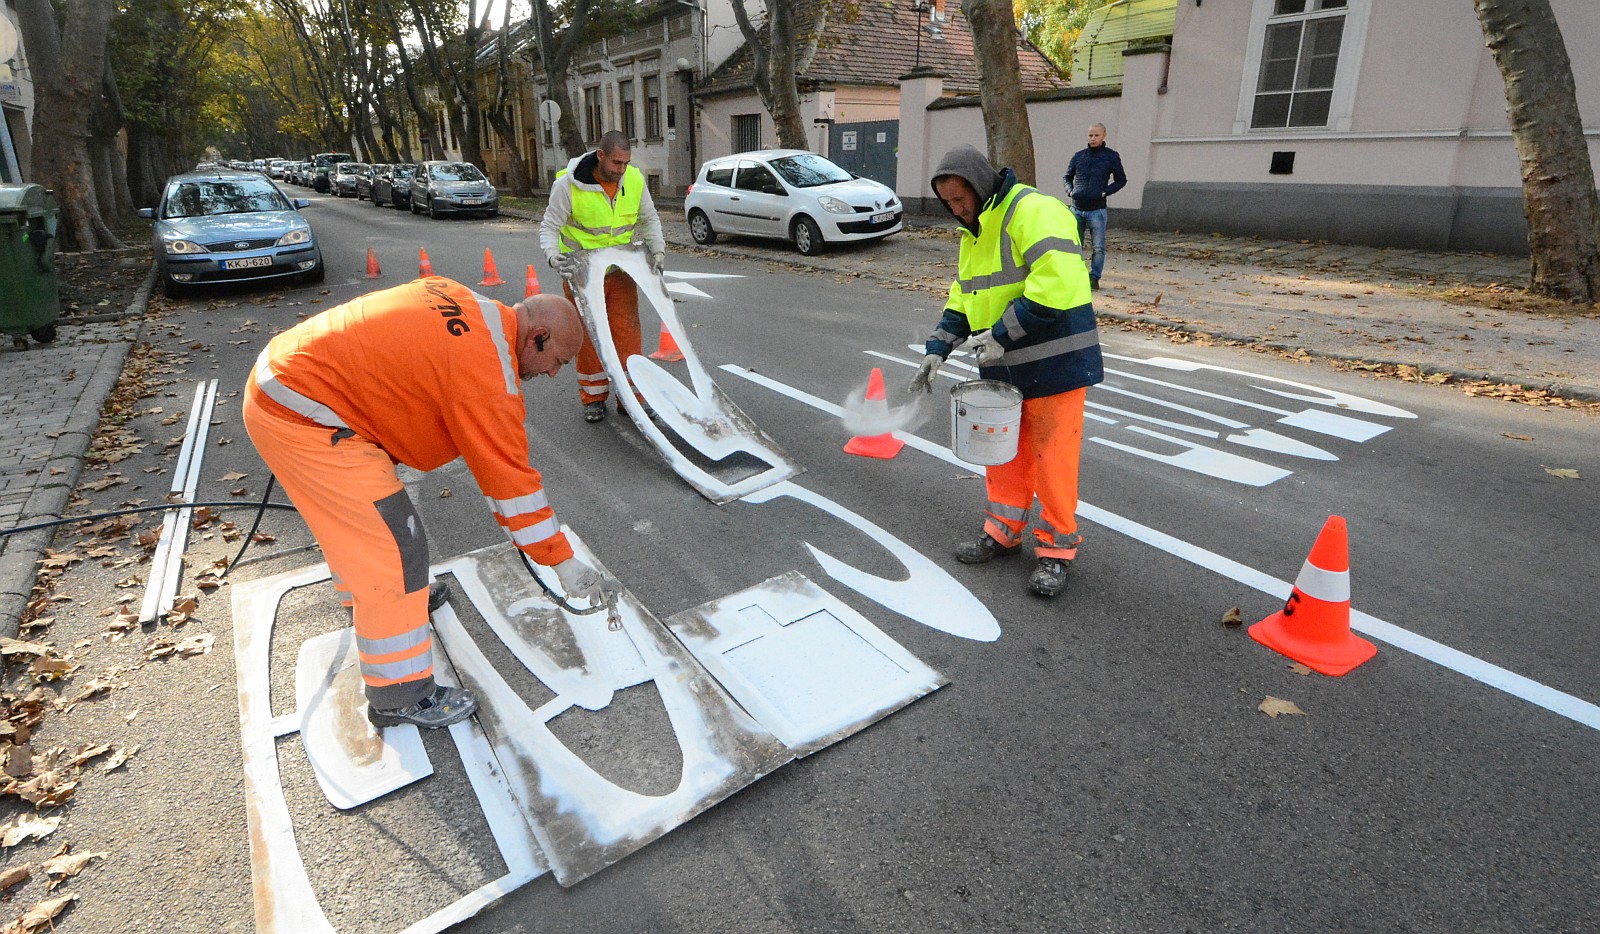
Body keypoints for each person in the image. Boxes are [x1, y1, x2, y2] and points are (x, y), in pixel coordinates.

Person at [243, 277, 604, 728]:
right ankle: (401, 695)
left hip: (294, 384)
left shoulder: (467, 301)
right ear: (539, 337)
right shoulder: (486, 376)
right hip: (304, 415)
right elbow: (510, 483)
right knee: (395, 548)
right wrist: (561, 560)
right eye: (558, 362)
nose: (552, 374)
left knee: (360, 527)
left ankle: (390, 609)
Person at [909, 145, 1104, 598]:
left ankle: (1056, 552)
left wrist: (1001, 333)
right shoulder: (973, 233)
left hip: (1056, 363)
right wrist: (937, 347)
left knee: (1053, 461)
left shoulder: (1033, 210)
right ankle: (1003, 532)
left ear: (979, 185)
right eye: (949, 204)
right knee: (1005, 455)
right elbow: (966, 296)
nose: (956, 210)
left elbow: (1054, 284)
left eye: (961, 199)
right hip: (1006, 366)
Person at [540, 130, 667, 423]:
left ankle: (631, 398)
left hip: (620, 273)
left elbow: (649, 219)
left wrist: (658, 252)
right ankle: (594, 396)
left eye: (625, 163)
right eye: (616, 163)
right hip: (582, 275)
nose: (621, 170)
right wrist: (552, 256)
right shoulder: (568, 186)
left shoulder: (634, 180)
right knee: (588, 337)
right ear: (601, 156)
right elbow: (549, 226)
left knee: (627, 334)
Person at [1062, 123, 1127, 291]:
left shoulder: (1111, 156)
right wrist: (1070, 191)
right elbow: (1067, 176)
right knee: (1074, 245)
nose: (1093, 138)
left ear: (1104, 135)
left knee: (1098, 247)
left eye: (1096, 135)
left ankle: (1094, 278)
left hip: (1097, 211)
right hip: (1076, 208)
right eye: (1090, 135)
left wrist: (1105, 192)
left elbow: (1121, 179)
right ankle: (1074, 275)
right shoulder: (1079, 156)